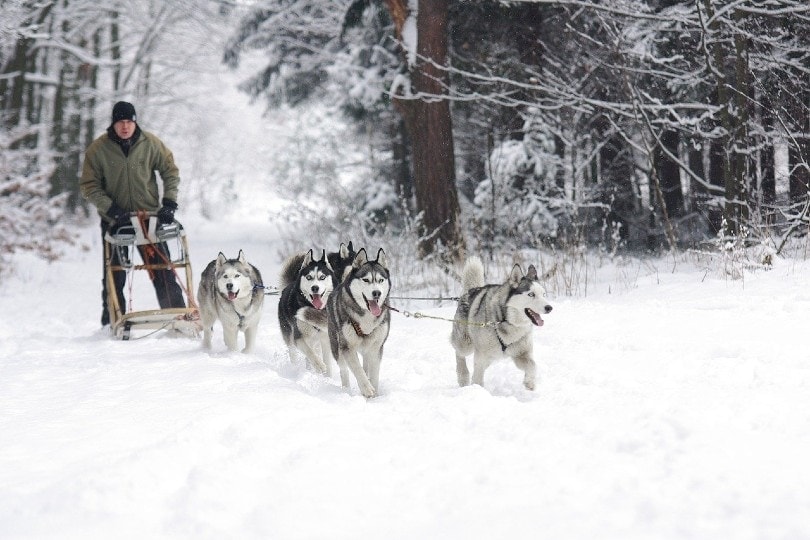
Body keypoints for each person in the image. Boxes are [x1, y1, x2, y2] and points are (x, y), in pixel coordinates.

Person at [80, 101, 186, 326]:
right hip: (115, 221)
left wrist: (169, 202)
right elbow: (90, 185)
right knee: (114, 273)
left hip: (148, 219)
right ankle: (112, 321)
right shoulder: (98, 149)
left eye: (129, 121)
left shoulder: (150, 144)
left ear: (135, 122)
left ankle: (177, 316)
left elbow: (170, 171)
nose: (125, 127)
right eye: (120, 122)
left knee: (162, 270)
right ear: (114, 123)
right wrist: (111, 209)